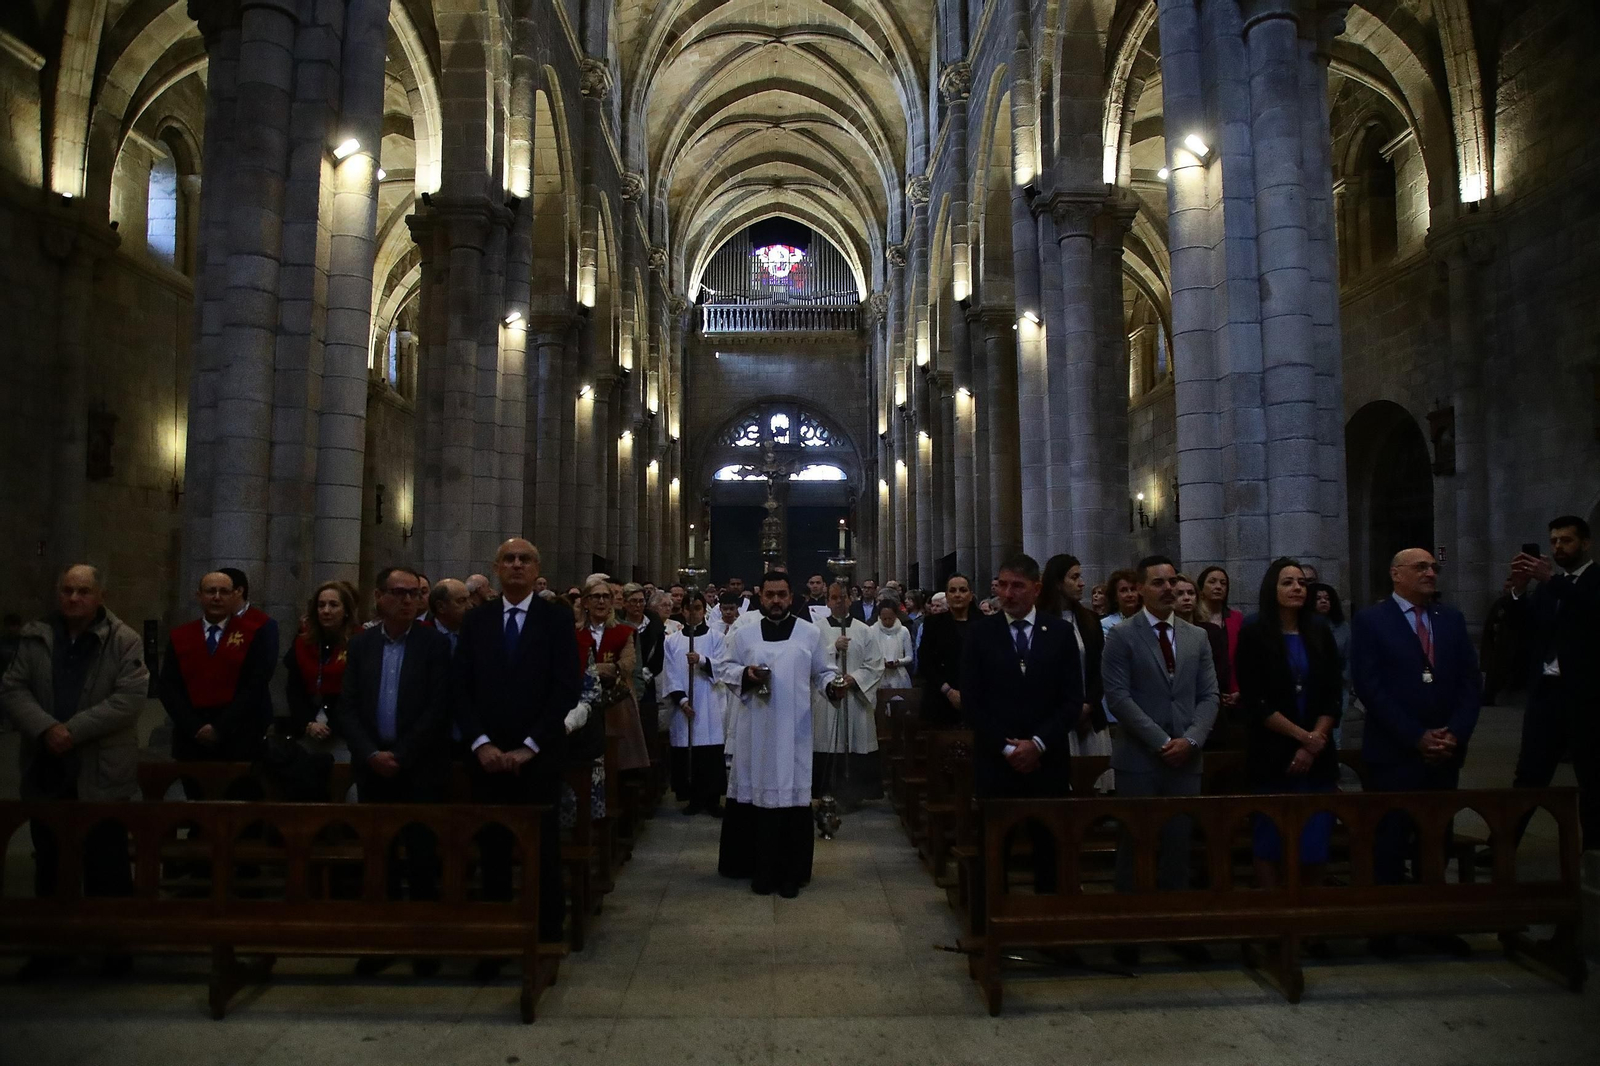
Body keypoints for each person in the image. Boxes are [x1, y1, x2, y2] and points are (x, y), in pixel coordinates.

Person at [2, 565, 147, 980]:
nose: (73, 598)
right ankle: (51, 949)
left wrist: (73, 730)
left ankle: (114, 951)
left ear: (101, 595)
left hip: (100, 770)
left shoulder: (124, 639)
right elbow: (13, 687)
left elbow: (130, 698)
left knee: (107, 864)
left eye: (83, 591)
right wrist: (46, 728)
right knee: (49, 861)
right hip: (47, 766)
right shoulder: (36, 637)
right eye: (67, 590)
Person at [453, 538, 579, 957]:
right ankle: (495, 935)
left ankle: (545, 932)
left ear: (537, 566)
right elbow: (462, 689)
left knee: (541, 845)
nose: (517, 565)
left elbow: (565, 688)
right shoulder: (477, 620)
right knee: (492, 846)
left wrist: (530, 745)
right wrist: (481, 743)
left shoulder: (556, 619)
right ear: (496, 568)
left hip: (538, 755)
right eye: (509, 559)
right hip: (486, 757)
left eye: (525, 559)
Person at [1351, 548, 1480, 955]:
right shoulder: (1373, 620)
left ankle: (1432, 922)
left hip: (1444, 753)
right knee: (1390, 839)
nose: (1430, 573)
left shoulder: (1451, 619)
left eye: (1433, 567)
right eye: (1420, 567)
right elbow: (1370, 687)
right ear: (1396, 575)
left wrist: (1454, 734)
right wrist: (1416, 737)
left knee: (1436, 837)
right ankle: (1386, 925)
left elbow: (1469, 684)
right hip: (1394, 753)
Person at [335, 566, 453, 976]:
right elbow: (346, 706)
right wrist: (370, 753)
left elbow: (438, 708)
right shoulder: (363, 644)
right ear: (379, 597)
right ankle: (379, 941)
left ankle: (423, 943)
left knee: (422, 858)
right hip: (372, 768)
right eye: (398, 593)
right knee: (378, 857)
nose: (407, 600)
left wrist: (401, 754)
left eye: (413, 594)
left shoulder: (434, 645)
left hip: (418, 767)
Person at [1102, 554, 1219, 965]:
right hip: (1140, 757)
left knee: (1178, 845)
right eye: (1158, 583)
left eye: (1173, 581)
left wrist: (1190, 740)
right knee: (1135, 844)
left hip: (1186, 759)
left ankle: (1179, 928)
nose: (1168, 588)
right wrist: (1160, 741)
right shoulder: (1121, 635)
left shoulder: (1196, 637)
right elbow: (1118, 696)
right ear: (1140, 589)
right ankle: (1128, 932)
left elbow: (1208, 696)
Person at [959, 554, 1083, 893]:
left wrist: (1038, 743)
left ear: (1036, 588)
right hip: (996, 762)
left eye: (1018, 586)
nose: (1008, 593)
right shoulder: (980, 633)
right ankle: (990, 929)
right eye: (1003, 585)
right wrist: (1006, 746)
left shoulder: (1058, 632)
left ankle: (1050, 928)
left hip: (1047, 762)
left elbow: (1072, 699)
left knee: (1049, 850)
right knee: (994, 850)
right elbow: (972, 701)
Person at [714, 571, 836, 897]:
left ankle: (791, 874)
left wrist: (832, 687)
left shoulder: (810, 634)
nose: (777, 601)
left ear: (791, 597)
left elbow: (824, 671)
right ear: (761, 597)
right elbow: (724, 667)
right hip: (756, 728)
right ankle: (759, 871)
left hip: (794, 730)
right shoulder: (745, 634)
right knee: (757, 797)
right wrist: (746, 674)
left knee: (792, 799)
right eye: (770, 595)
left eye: (782, 594)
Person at [1236, 559, 1343, 892]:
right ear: (1272, 588)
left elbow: (1332, 693)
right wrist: (1302, 737)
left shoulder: (1319, 630)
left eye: (1301, 583)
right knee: (1271, 842)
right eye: (1288, 582)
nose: (1297, 588)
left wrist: (1315, 741)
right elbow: (1255, 700)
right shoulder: (1255, 631)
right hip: (1273, 752)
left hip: (1318, 756)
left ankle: (1308, 922)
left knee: (1314, 843)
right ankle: (1276, 921)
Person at [1508, 515, 1598, 849]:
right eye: (1555, 541)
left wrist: (1551, 581)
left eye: (1567, 540)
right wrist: (1518, 591)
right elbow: (1526, 630)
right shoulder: (1549, 587)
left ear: (1585, 543)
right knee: (1529, 776)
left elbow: (1591, 612)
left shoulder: (1593, 580)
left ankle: (1592, 852)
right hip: (1547, 695)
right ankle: (1505, 842)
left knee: (1591, 779)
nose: (1559, 547)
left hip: (1587, 698)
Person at [161, 570, 277, 763]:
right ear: (199, 596)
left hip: (238, 738)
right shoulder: (181, 636)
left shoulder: (252, 635)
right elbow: (168, 686)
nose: (217, 597)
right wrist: (194, 727)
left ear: (234, 596)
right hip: (191, 739)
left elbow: (255, 685)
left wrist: (220, 727)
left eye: (224, 592)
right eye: (210, 591)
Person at [813, 580, 885, 808]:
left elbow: (875, 664)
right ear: (827, 602)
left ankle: (855, 793)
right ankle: (826, 791)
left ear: (850, 600)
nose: (839, 602)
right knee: (827, 742)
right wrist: (833, 647)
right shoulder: (816, 630)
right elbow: (811, 662)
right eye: (834, 598)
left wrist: (854, 679)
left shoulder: (864, 630)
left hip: (855, 697)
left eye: (843, 598)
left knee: (856, 741)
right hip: (827, 699)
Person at [1038, 554, 1110, 784]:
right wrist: (1068, 709)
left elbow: (1099, 667)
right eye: (1074, 577)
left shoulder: (1089, 619)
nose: (1082, 583)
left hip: (1089, 717)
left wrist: (1088, 704)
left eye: (1081, 576)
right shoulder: (1041, 621)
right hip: (1056, 718)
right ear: (1058, 583)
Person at [662, 591, 727, 816]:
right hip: (685, 704)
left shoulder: (716, 637)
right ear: (683, 611)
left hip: (710, 701)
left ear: (704, 610)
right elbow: (669, 673)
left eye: (698, 608)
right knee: (688, 752)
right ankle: (693, 797)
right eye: (689, 609)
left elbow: (723, 667)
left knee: (710, 752)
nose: (693, 613)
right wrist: (682, 700)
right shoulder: (672, 641)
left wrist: (701, 660)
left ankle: (712, 799)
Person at [579, 578, 650, 773]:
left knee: (616, 761)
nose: (601, 601)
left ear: (611, 602)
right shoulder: (575, 632)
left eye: (605, 597)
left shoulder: (624, 631)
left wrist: (592, 669)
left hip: (615, 702)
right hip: (580, 702)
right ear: (586, 602)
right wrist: (606, 668)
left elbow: (626, 665)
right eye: (595, 597)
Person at [283, 580, 357, 758]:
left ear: (346, 610)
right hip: (307, 729)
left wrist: (332, 724)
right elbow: (294, 689)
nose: (326, 611)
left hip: (343, 732)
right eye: (321, 605)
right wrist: (308, 723)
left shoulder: (359, 641)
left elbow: (358, 693)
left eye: (333, 605)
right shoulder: (303, 643)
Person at [917, 573, 975, 726]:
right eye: (953, 591)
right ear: (947, 596)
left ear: (971, 595)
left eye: (963, 590)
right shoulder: (933, 624)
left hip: (977, 699)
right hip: (940, 698)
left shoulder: (984, 624)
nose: (957, 595)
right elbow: (925, 662)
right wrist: (948, 691)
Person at [874, 595, 914, 691]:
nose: (887, 622)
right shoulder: (872, 630)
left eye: (890, 618)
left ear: (896, 616)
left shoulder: (903, 631)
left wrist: (899, 662)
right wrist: (880, 661)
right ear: (879, 617)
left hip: (899, 676)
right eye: (884, 619)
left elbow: (909, 656)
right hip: (878, 676)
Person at [428, 578, 471, 653]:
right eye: (461, 601)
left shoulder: (475, 634)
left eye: (469, 599)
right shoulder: (423, 636)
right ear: (440, 607)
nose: (470, 606)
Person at [1100, 568, 1141, 637]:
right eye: (1124, 590)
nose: (1130, 594)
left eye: (1133, 589)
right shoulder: (1105, 625)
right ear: (1115, 596)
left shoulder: (1149, 620)